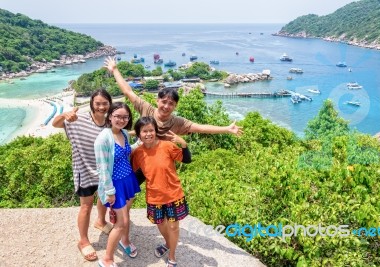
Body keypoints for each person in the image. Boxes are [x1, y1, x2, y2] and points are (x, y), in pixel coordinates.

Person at [104, 56, 243, 140]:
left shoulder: (177, 122)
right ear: (157, 101)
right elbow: (128, 92)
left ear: (175, 106)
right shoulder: (147, 109)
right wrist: (115, 69)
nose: (166, 106)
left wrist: (226, 129)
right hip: (142, 157)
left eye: (171, 103)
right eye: (164, 102)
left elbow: (201, 128)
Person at [52, 89, 113, 261]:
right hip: (84, 170)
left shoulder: (110, 123)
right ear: (92, 103)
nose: (101, 107)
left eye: (105, 103)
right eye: (98, 103)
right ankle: (83, 241)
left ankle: (101, 221)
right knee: (86, 206)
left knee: (103, 198)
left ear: (109, 104)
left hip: (103, 170)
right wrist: (64, 115)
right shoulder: (78, 120)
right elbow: (55, 124)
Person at [132, 116, 192, 267]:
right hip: (154, 196)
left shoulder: (167, 146)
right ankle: (167, 243)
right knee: (160, 223)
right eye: (144, 131)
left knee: (173, 226)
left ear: (156, 131)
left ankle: (172, 256)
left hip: (173, 194)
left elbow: (186, 159)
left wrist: (183, 143)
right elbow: (136, 174)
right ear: (139, 134)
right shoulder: (138, 153)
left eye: (151, 130)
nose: (148, 134)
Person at [95, 102, 141, 267]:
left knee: (126, 217)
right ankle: (107, 259)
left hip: (128, 180)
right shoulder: (103, 138)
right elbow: (102, 168)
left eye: (125, 117)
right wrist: (110, 191)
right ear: (110, 117)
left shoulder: (124, 133)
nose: (121, 120)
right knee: (121, 223)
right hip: (114, 185)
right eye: (118, 116)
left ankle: (125, 241)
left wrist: (143, 141)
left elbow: (127, 150)